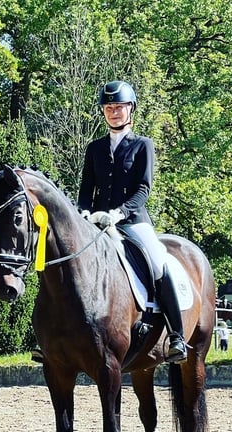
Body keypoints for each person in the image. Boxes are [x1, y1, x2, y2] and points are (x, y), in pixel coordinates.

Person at [77, 80, 187, 363]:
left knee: (157, 262)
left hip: (132, 221)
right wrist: (86, 213)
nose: (114, 112)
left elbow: (143, 189)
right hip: (98, 222)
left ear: (130, 109)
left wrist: (122, 212)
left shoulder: (142, 145)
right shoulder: (94, 148)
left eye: (119, 107)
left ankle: (176, 335)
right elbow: (85, 190)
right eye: (109, 107)